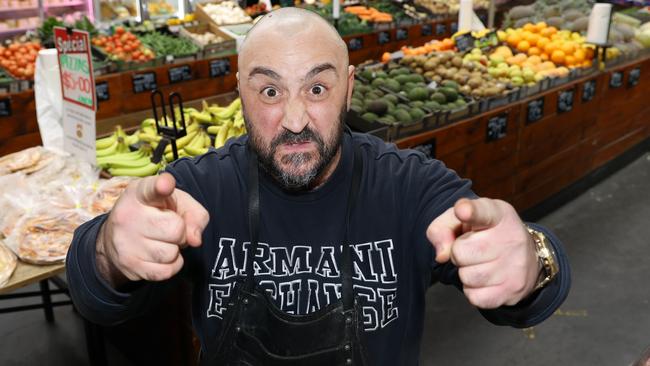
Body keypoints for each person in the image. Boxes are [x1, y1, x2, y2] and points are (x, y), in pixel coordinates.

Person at [67, 8, 570, 366]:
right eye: (269, 91)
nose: (293, 119)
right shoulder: (197, 188)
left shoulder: (408, 185)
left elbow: (529, 285)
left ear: (349, 87)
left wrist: (533, 259)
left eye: (316, 88)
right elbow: (94, 295)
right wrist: (109, 251)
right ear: (239, 93)